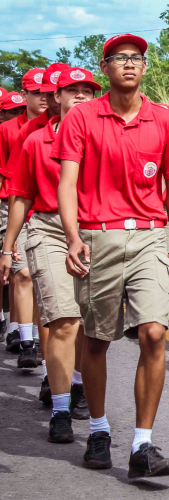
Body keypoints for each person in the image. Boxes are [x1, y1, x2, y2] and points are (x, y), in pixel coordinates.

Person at [52, 33, 169, 477]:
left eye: (137, 58)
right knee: (96, 341)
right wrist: (72, 236)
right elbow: (67, 184)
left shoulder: (166, 122)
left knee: (154, 333)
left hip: (150, 237)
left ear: (145, 67)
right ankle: (97, 429)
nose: (129, 64)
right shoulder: (81, 118)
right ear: (105, 67)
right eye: (119, 58)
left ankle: (142, 445)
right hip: (98, 236)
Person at [0, 67, 100, 443]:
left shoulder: (104, 139)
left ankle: (76, 386)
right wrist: (8, 248)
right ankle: (59, 408)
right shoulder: (34, 141)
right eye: (71, 90)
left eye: (87, 91)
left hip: (95, 231)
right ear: (55, 97)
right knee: (63, 319)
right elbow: (21, 196)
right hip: (48, 228)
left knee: (91, 325)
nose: (80, 97)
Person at [2, 63, 69, 372]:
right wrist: (10, 241)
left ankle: (70, 376)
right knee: (31, 279)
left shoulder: (89, 126)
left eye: (54, 93)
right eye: (43, 93)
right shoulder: (28, 133)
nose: (49, 100)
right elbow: (18, 186)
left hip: (81, 223)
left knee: (72, 308)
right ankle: (34, 350)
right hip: (34, 215)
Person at [0, 68, 47, 356]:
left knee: (40, 277)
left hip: (52, 210)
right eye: (37, 92)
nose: (43, 98)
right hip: (15, 205)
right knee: (24, 274)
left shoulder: (64, 126)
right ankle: (25, 337)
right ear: (26, 92)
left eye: (48, 92)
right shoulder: (9, 130)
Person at [0, 91, 27, 343]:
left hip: (42, 207)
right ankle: (6, 320)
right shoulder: (9, 130)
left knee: (25, 273)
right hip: (10, 201)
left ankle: (21, 328)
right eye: (13, 111)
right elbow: (5, 175)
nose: (18, 115)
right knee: (16, 269)